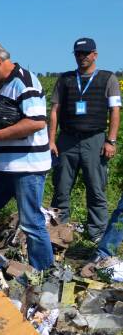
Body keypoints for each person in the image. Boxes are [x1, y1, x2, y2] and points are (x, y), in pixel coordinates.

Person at [0, 42, 54, 271]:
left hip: (27, 166)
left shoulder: (24, 82)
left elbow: (36, 122)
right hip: (4, 167)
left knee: (31, 223)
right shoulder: (3, 85)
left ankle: (44, 275)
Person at [49, 37, 121, 240]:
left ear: (95, 55)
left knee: (96, 188)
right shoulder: (65, 79)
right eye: (78, 54)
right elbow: (54, 110)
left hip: (95, 140)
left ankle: (97, 234)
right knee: (61, 188)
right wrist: (51, 140)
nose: (82, 57)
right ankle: (58, 232)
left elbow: (115, 111)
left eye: (86, 53)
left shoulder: (108, 78)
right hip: (67, 140)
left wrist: (111, 140)